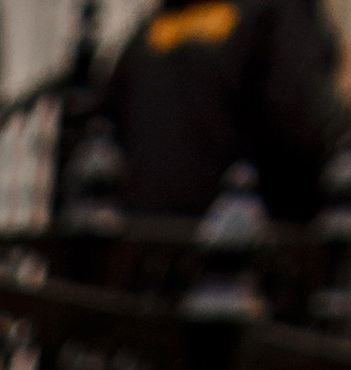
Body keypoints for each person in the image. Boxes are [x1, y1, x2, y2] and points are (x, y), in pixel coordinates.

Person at [103, 0, 339, 224]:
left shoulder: (153, 28)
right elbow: (302, 130)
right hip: (246, 245)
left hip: (145, 245)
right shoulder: (278, 11)